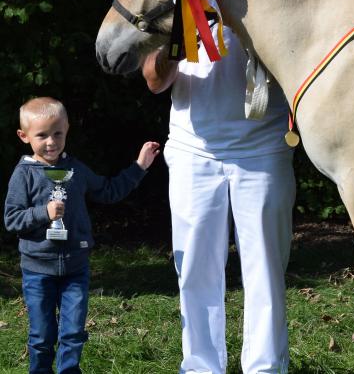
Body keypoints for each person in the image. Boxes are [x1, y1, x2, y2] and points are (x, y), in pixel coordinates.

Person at [142, 24, 295, 374]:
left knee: (266, 270)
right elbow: (154, 79)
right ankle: (200, 368)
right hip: (192, 149)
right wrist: (183, 31)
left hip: (263, 147)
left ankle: (266, 368)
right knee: (195, 269)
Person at [4, 96, 160, 374]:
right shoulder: (23, 174)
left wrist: (140, 166)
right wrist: (44, 213)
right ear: (24, 136)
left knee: (74, 333)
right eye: (42, 135)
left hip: (76, 268)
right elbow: (12, 219)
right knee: (41, 337)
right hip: (38, 271)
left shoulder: (75, 169)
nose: (51, 141)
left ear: (67, 130)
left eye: (57, 133)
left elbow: (108, 191)